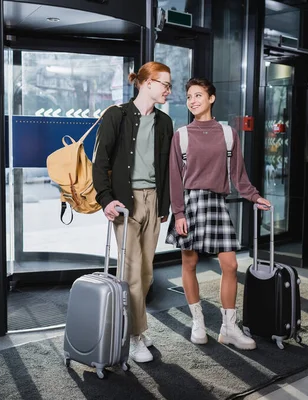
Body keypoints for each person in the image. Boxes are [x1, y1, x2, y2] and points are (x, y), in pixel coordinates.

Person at [166, 77, 271, 350]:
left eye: (198, 95)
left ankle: (228, 328)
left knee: (231, 266)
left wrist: (255, 196)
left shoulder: (227, 134)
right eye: (189, 96)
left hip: (216, 204)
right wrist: (178, 213)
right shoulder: (182, 135)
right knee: (189, 265)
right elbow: (174, 179)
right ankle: (198, 322)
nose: (193, 101)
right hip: (189, 205)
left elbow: (239, 175)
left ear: (211, 98)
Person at [92, 61, 174, 363]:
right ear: (147, 83)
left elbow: (167, 169)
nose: (169, 89)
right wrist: (106, 199)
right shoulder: (116, 115)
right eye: (164, 83)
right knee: (132, 272)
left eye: (169, 84)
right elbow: (99, 162)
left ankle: (133, 327)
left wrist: (164, 205)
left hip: (153, 203)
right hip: (126, 204)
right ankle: (135, 335)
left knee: (147, 272)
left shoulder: (165, 123)